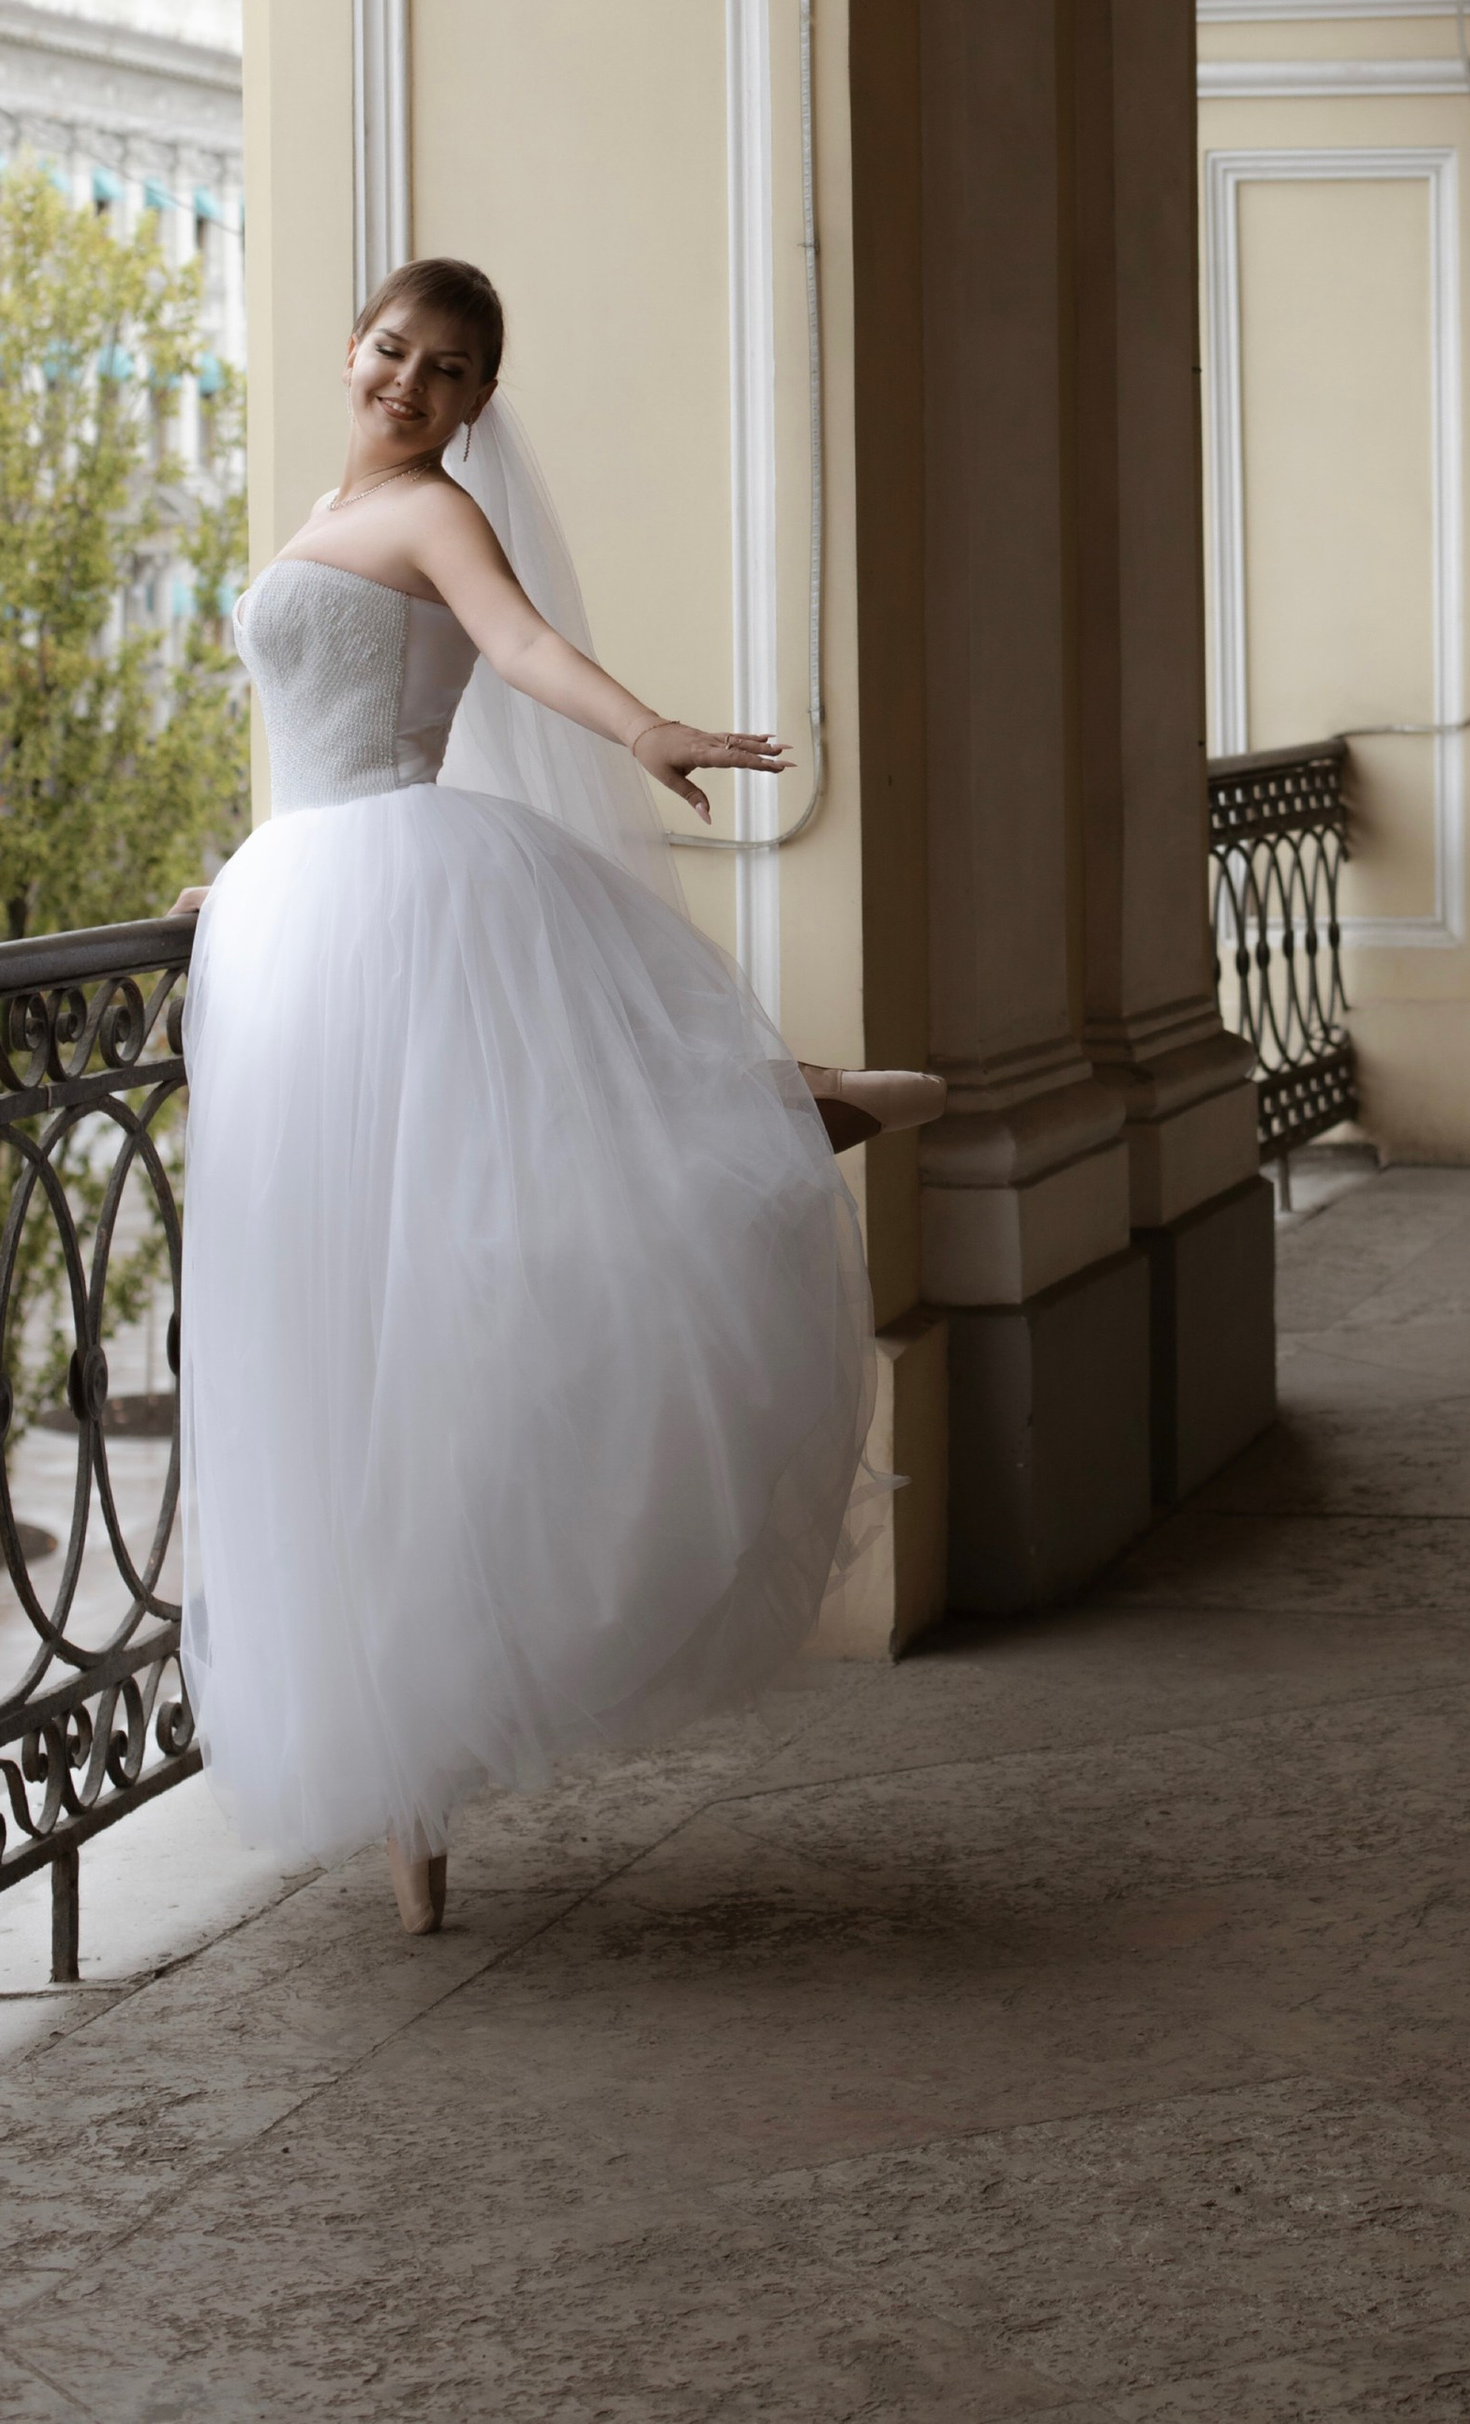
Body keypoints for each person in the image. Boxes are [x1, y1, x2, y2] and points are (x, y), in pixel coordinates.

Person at [178, 257, 943, 1936]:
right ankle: (402, 1788)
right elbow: (314, 721)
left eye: (449, 370)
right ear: (351, 346)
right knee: (339, 1316)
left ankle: (797, 1106)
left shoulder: (434, 511)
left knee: (472, 1247)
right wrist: (237, 880)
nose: (410, 383)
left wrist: (644, 726)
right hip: (303, 902)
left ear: (476, 402)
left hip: (388, 889)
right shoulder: (330, 508)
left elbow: (518, 641)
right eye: (394, 349)